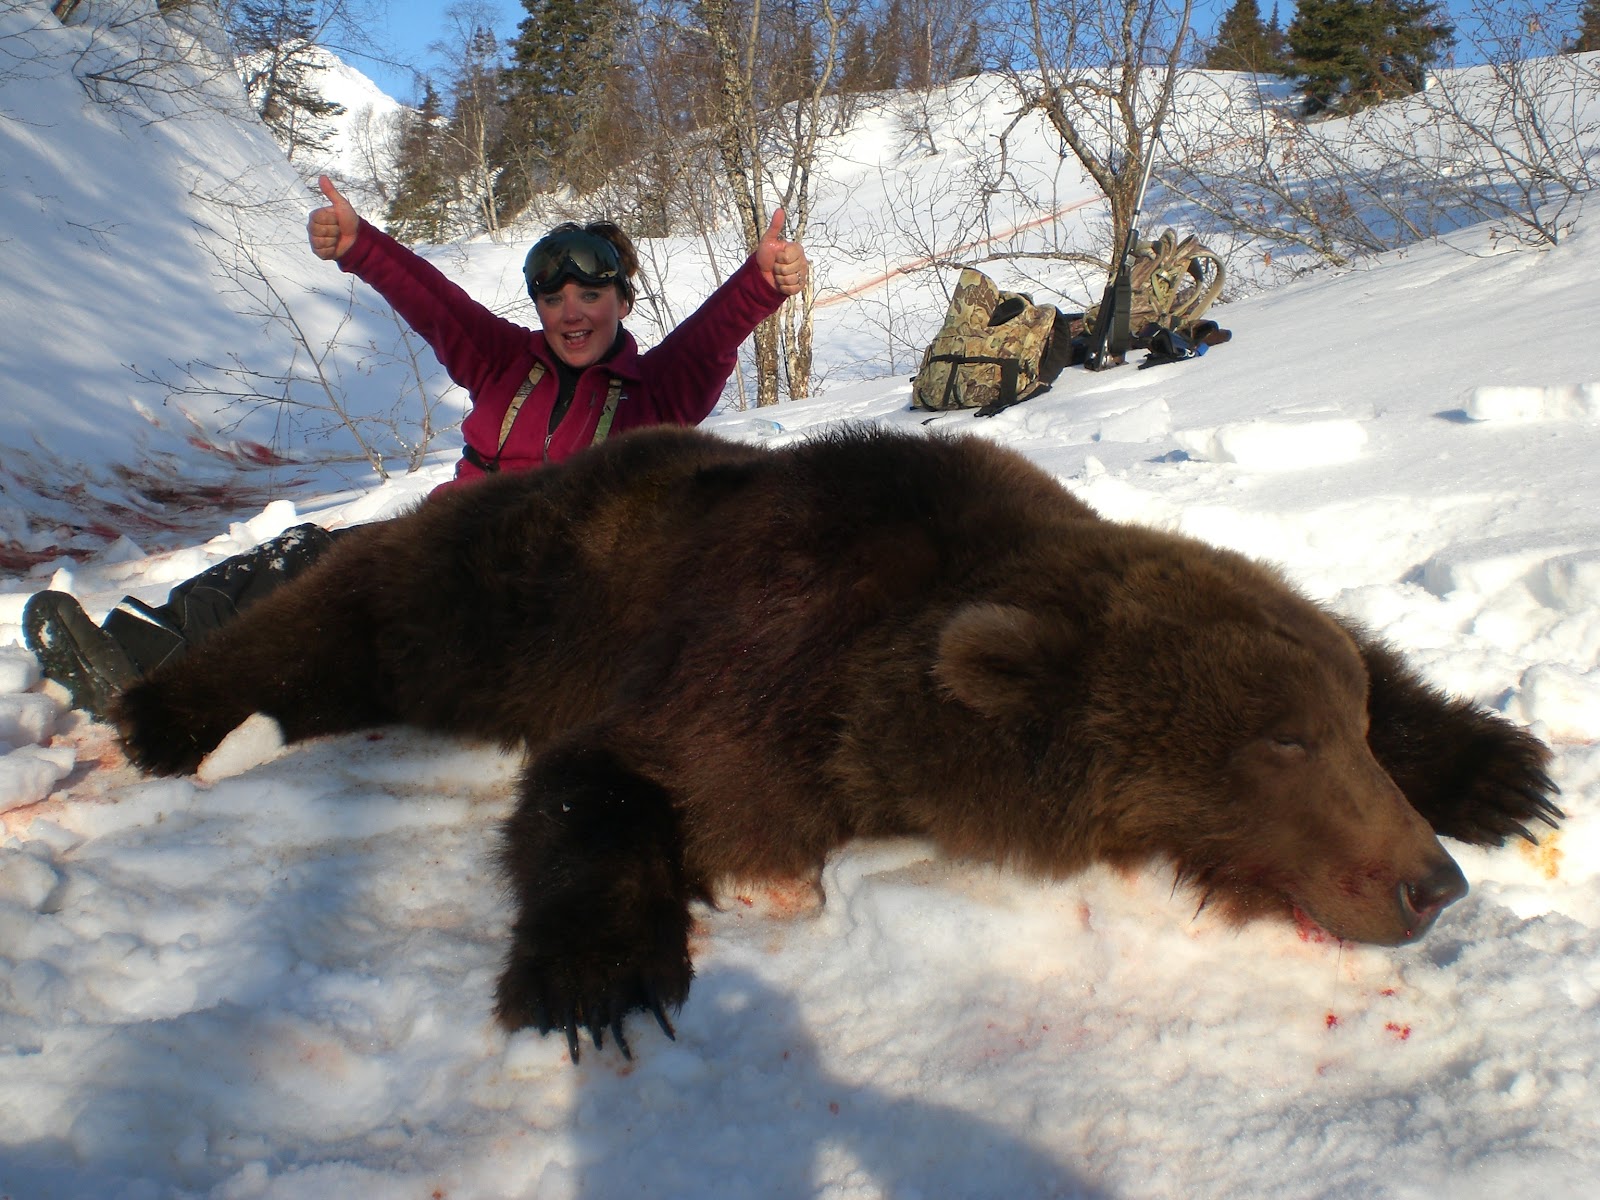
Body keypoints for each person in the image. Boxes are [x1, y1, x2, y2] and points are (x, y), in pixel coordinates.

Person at [25, 175, 809, 718]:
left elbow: (714, 337)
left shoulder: (656, 391)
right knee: (305, 558)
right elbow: (436, 303)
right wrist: (361, 245)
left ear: (621, 302)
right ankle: (131, 654)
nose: (571, 312)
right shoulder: (504, 360)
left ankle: (227, 684)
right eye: (553, 297)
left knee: (353, 607)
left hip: (557, 587)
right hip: (450, 545)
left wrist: (762, 284)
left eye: (591, 295)